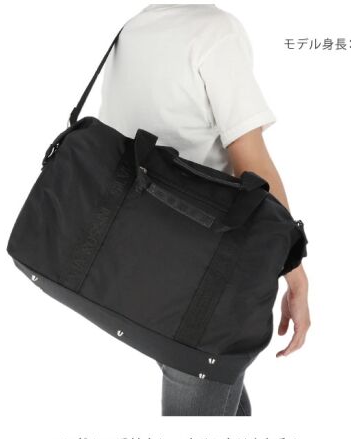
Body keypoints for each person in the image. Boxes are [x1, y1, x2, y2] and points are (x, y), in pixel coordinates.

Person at [98, 4, 311, 416]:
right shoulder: (216, 32)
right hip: (201, 278)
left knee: (220, 400)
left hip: (133, 267)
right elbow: (254, 169)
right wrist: (295, 273)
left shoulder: (135, 26)